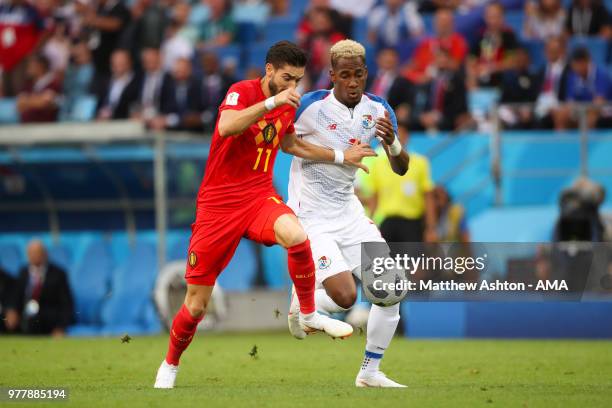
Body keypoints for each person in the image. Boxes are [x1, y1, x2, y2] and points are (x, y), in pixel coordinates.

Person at [154, 41, 375, 389]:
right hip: (218, 205)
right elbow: (227, 127)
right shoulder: (241, 92)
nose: (292, 87)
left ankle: (307, 314)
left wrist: (339, 156)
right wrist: (271, 102)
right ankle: (170, 364)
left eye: (298, 80)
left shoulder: (288, 103)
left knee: (297, 236)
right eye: (287, 78)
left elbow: (290, 145)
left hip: (258, 195)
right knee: (196, 305)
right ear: (269, 70)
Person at [286, 40, 410, 388]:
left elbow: (400, 167)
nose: (353, 82)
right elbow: (284, 144)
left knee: (391, 289)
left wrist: (394, 145)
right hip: (311, 217)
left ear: (366, 73)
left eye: (358, 74)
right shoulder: (309, 106)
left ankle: (370, 372)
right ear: (332, 76)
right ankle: (304, 298)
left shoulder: (380, 109)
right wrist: (340, 155)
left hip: (349, 214)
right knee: (345, 296)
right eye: (345, 75)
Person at [359, 122, 437, 244]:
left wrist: (431, 229)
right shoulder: (377, 164)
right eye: (394, 135)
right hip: (386, 222)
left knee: (412, 263)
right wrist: (371, 224)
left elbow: (428, 197)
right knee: (384, 262)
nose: (396, 139)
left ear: (407, 137)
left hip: (412, 222)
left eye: (400, 135)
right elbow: (375, 197)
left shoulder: (420, 162)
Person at [4, 240, 74, 336]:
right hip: (25, 316)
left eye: (37, 253)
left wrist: (61, 327)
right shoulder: (23, 272)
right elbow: (16, 296)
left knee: (33, 321)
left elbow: (67, 304)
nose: (34, 256)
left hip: (47, 319)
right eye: (31, 253)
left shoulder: (58, 274)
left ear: (45, 254)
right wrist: (12, 310)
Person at [94, 49, 141, 120]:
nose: (116, 67)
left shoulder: (138, 82)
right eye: (114, 64)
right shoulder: (106, 81)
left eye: (120, 64)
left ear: (129, 63)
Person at [16, 54, 61, 123]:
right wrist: (37, 100)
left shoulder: (53, 83)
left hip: (46, 126)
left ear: (40, 66)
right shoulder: (28, 84)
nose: (28, 68)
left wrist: (27, 101)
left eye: (31, 65)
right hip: (26, 126)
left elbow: (45, 103)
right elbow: (19, 104)